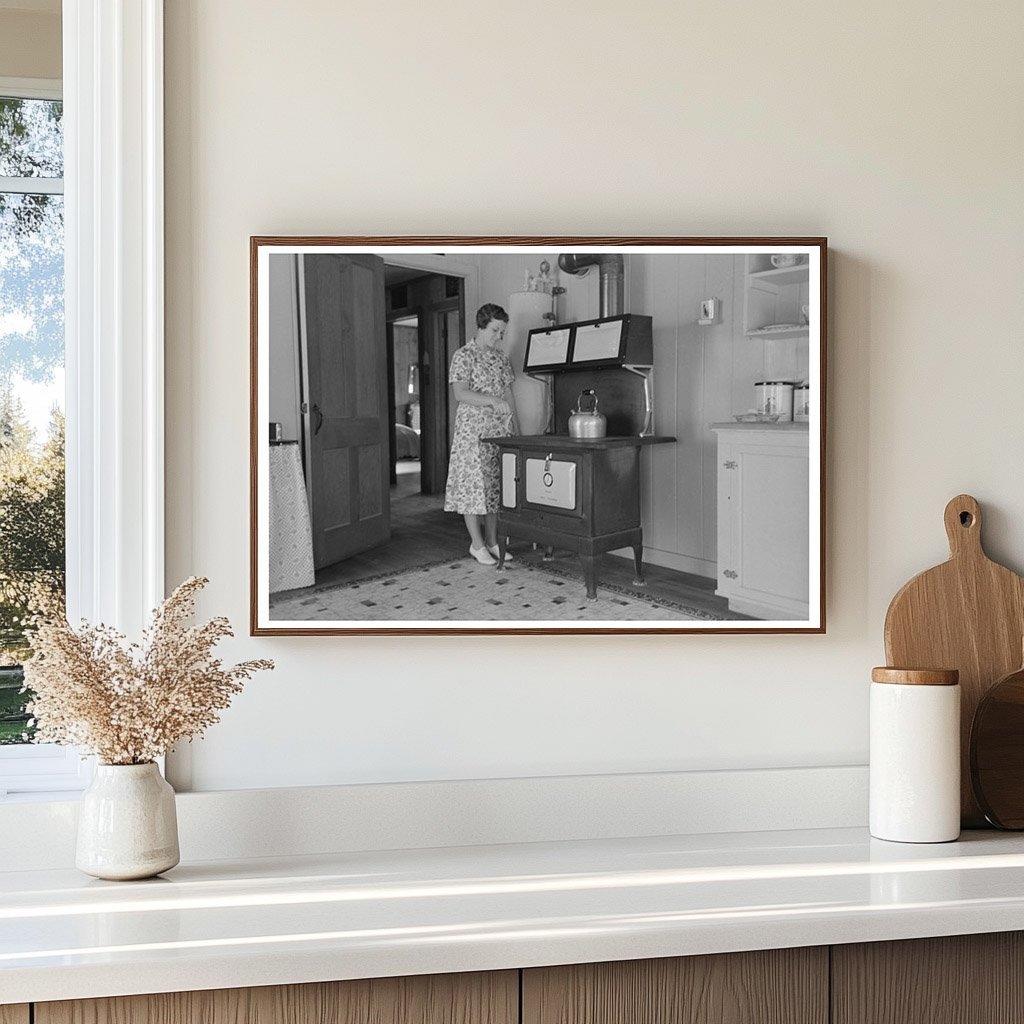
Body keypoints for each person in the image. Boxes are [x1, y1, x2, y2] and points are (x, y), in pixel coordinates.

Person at [443, 303, 520, 565]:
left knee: (495, 488)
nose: (500, 336)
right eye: (495, 330)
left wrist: (516, 428)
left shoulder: (501, 358)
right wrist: (489, 400)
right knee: (474, 488)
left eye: (503, 331)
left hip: (499, 431)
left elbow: (509, 395)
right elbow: (460, 393)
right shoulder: (463, 355)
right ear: (481, 326)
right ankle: (477, 545)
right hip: (473, 431)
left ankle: (493, 541)